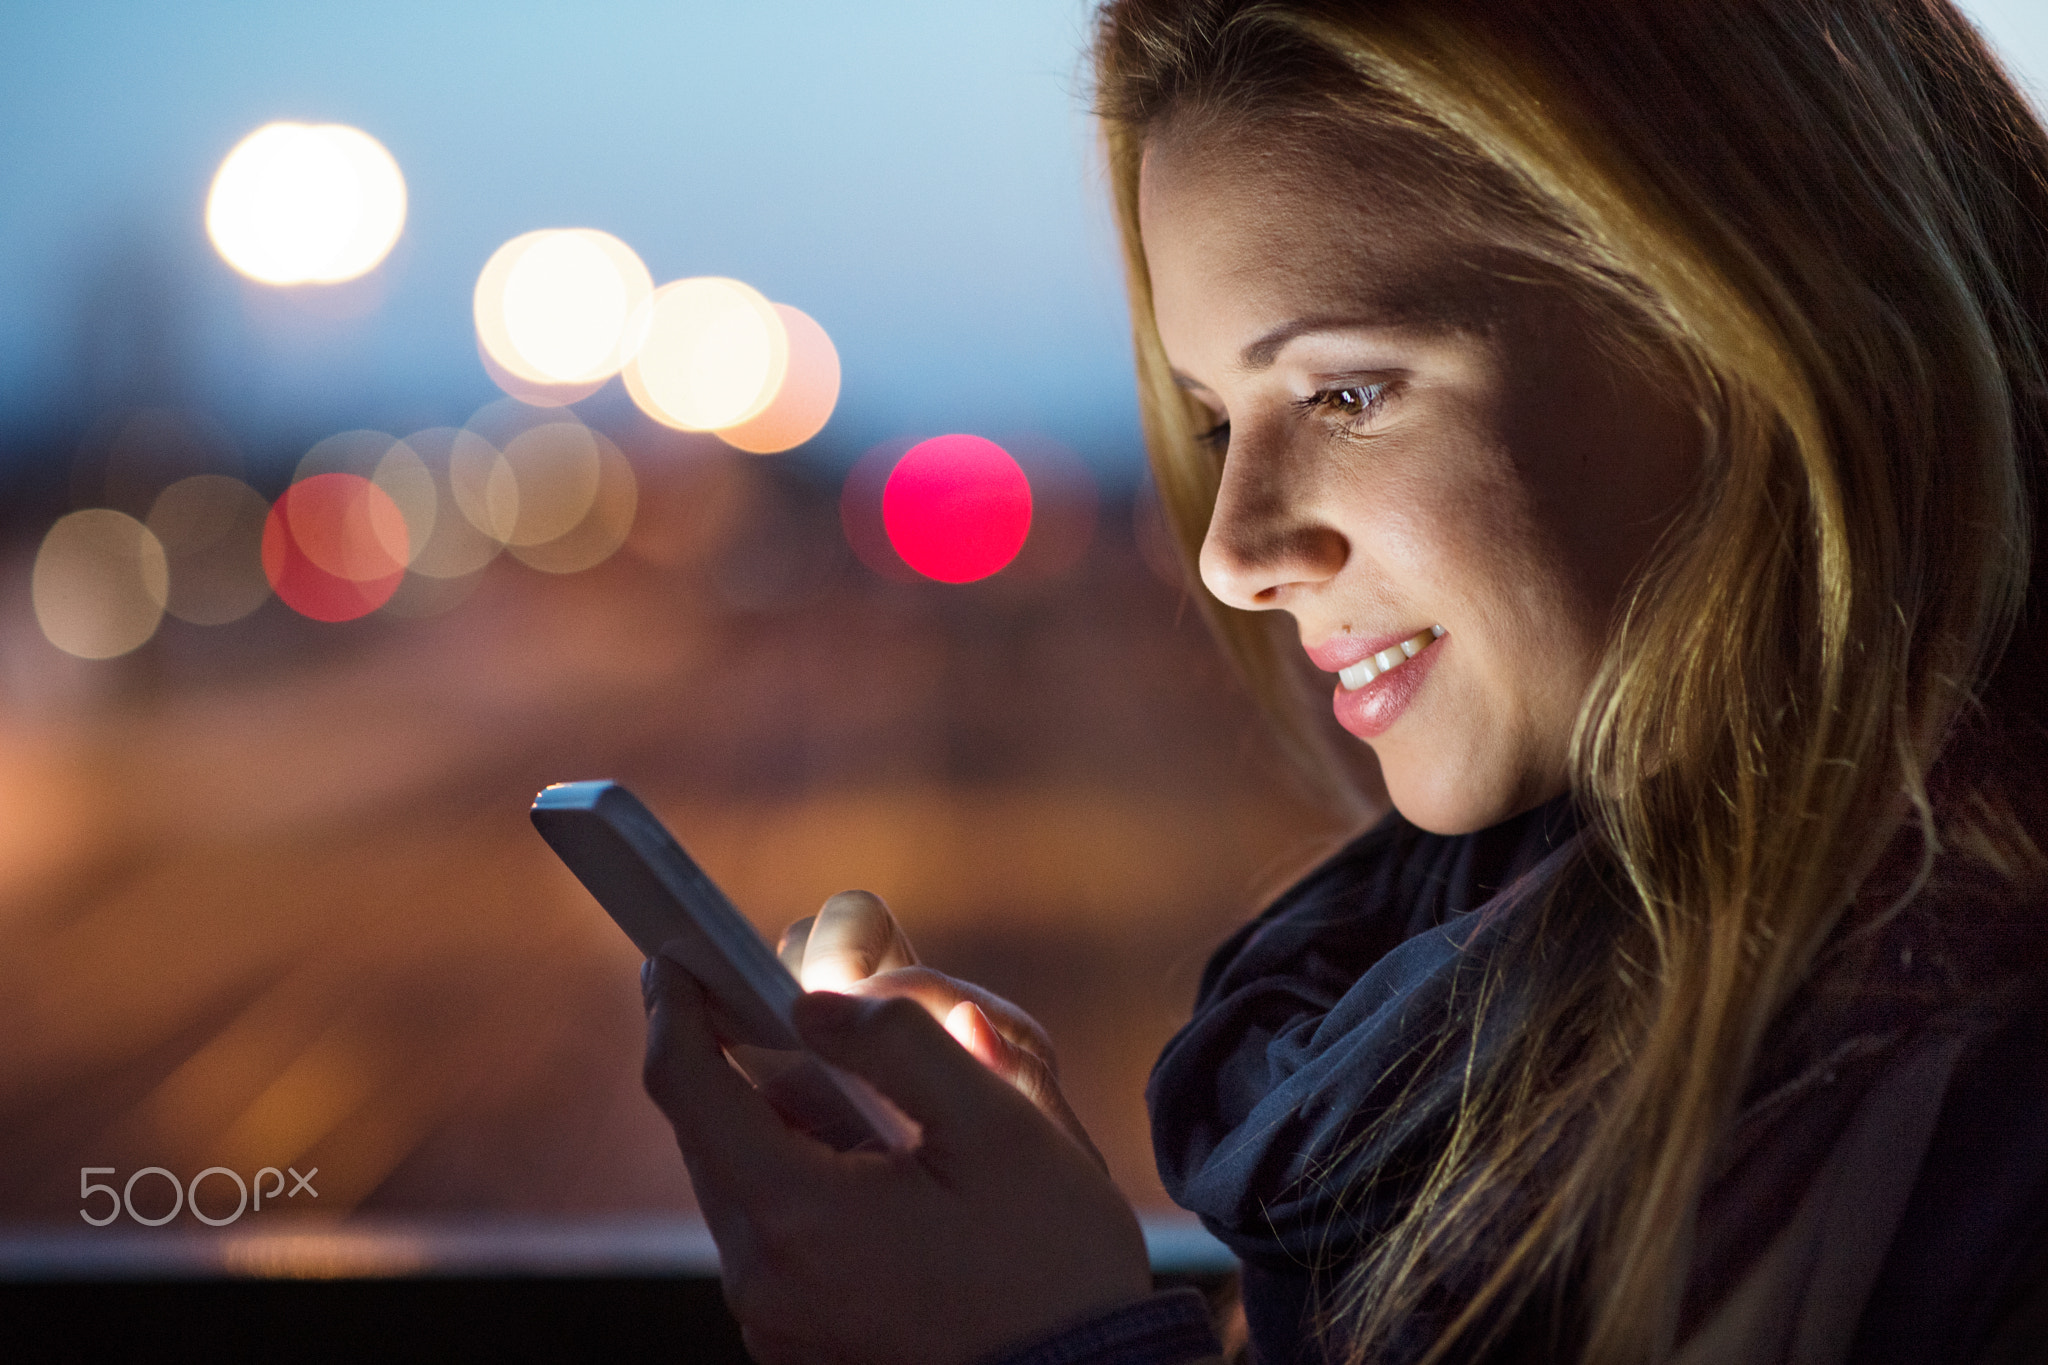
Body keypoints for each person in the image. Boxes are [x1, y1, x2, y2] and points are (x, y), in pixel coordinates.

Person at [639, 0, 2048, 1360]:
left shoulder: (1981, 1117)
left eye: (1345, 394)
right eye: (1211, 419)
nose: (1233, 554)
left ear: (1748, 322)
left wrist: (1049, 1347)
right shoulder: (1457, 1019)